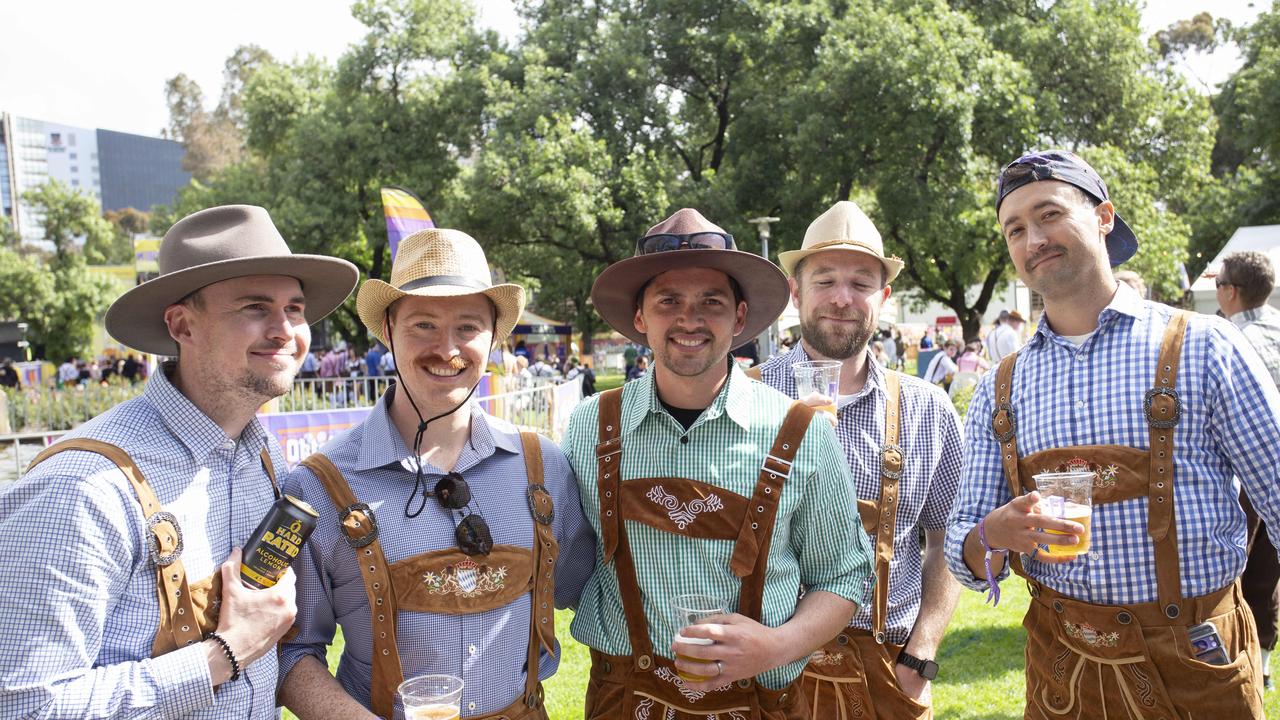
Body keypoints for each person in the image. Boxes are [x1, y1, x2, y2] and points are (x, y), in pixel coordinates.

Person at [945, 150, 1280, 717]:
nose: (1034, 240)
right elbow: (962, 546)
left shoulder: (1203, 346)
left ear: (1103, 217)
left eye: (1049, 214)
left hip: (1196, 666)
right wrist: (991, 533)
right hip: (1061, 670)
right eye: (1016, 229)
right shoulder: (1002, 387)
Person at [0, 204, 359, 718]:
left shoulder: (264, 458)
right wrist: (223, 655)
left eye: (295, 309)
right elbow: (23, 705)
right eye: (255, 307)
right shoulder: (82, 487)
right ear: (182, 326)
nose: (285, 330)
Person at [561, 207, 872, 719]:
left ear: (740, 317)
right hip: (625, 701)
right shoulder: (590, 427)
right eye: (669, 301)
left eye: (712, 301)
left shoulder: (802, 431)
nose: (690, 318)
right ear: (640, 318)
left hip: (761, 702)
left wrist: (777, 646)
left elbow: (841, 576)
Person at [278, 228, 595, 720]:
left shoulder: (544, 468)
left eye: (468, 327)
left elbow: (592, 589)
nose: (447, 349)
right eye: (423, 325)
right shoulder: (317, 486)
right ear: (387, 330)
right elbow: (292, 652)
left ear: (494, 337)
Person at [752, 200, 963, 717]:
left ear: (884, 297)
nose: (842, 299)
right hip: (764, 676)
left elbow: (947, 539)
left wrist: (922, 654)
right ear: (795, 292)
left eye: (861, 283)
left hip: (888, 673)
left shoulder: (925, 407)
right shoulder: (743, 397)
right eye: (824, 281)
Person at [1216, 250, 1280, 689]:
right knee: (1267, 572)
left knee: (1233, 573)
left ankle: (1240, 660)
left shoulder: (1229, 340)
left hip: (1244, 470)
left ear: (1230, 291)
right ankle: (1263, 663)